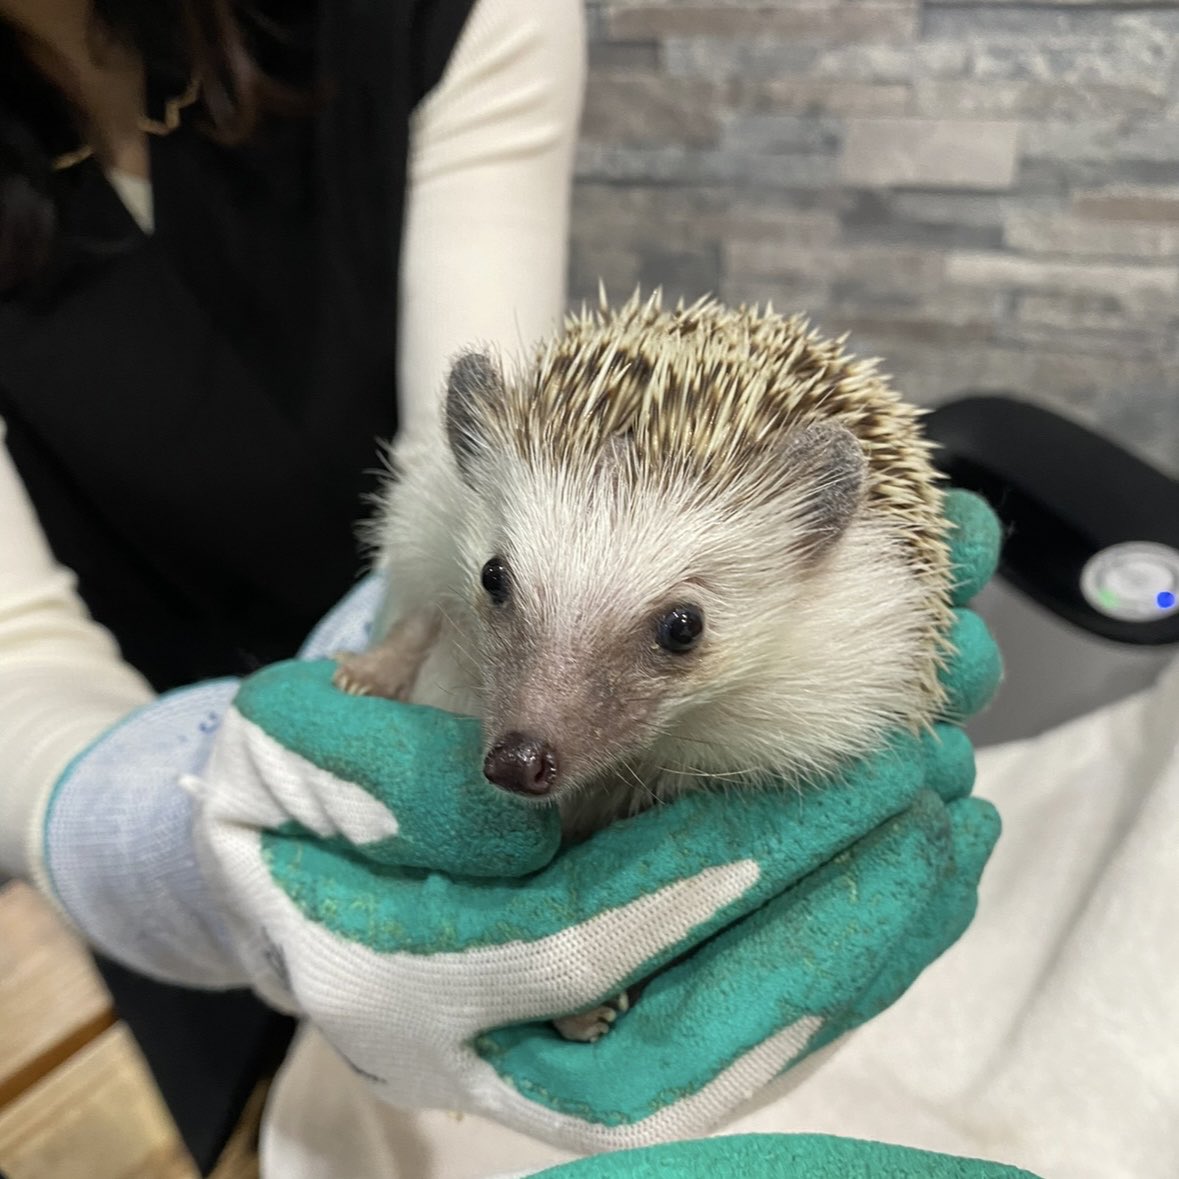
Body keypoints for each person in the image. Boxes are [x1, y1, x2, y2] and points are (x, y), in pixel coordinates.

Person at [0, 2, 1006, 1177]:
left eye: (675, 631)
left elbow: (481, 401)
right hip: (137, 710)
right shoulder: (474, 522)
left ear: (815, 546)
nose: (530, 733)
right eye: (502, 589)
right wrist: (168, 839)